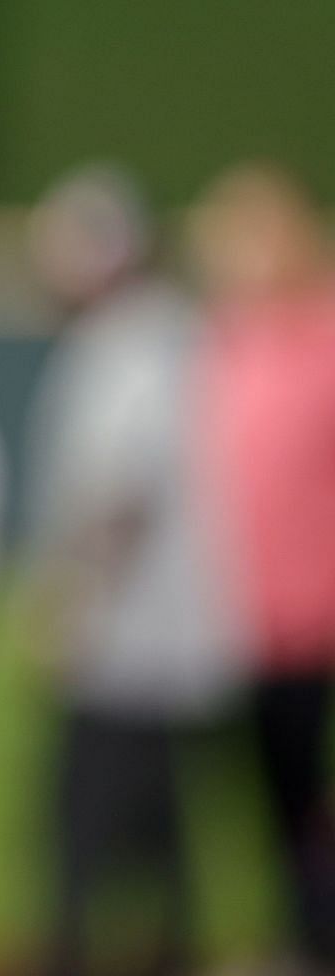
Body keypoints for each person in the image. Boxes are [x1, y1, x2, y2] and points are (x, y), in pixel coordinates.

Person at [22, 165, 241, 976]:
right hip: (150, 627)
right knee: (158, 818)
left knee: (95, 819)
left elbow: (121, 492)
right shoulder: (155, 335)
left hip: (127, 630)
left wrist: (74, 596)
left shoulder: (131, 343)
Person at [191, 162, 335, 970]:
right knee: (259, 795)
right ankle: (291, 937)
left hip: (321, 613)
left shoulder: (324, 333)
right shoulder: (215, 342)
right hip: (237, 616)